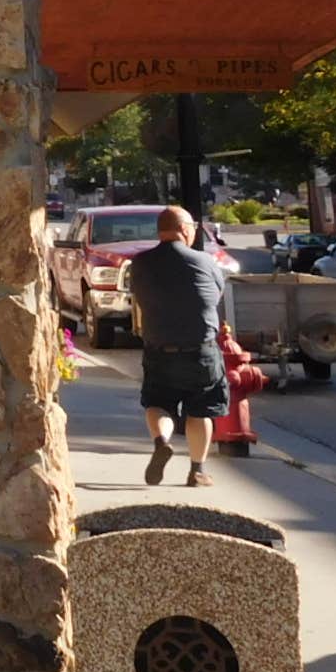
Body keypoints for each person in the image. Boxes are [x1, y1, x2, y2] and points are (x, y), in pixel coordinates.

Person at [130, 205, 230, 487]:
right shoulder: (205, 261)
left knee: (157, 402)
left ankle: (162, 441)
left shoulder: (140, 263)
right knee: (201, 410)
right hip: (201, 350)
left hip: (159, 349)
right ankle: (197, 471)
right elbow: (217, 294)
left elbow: (137, 295)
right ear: (185, 229)